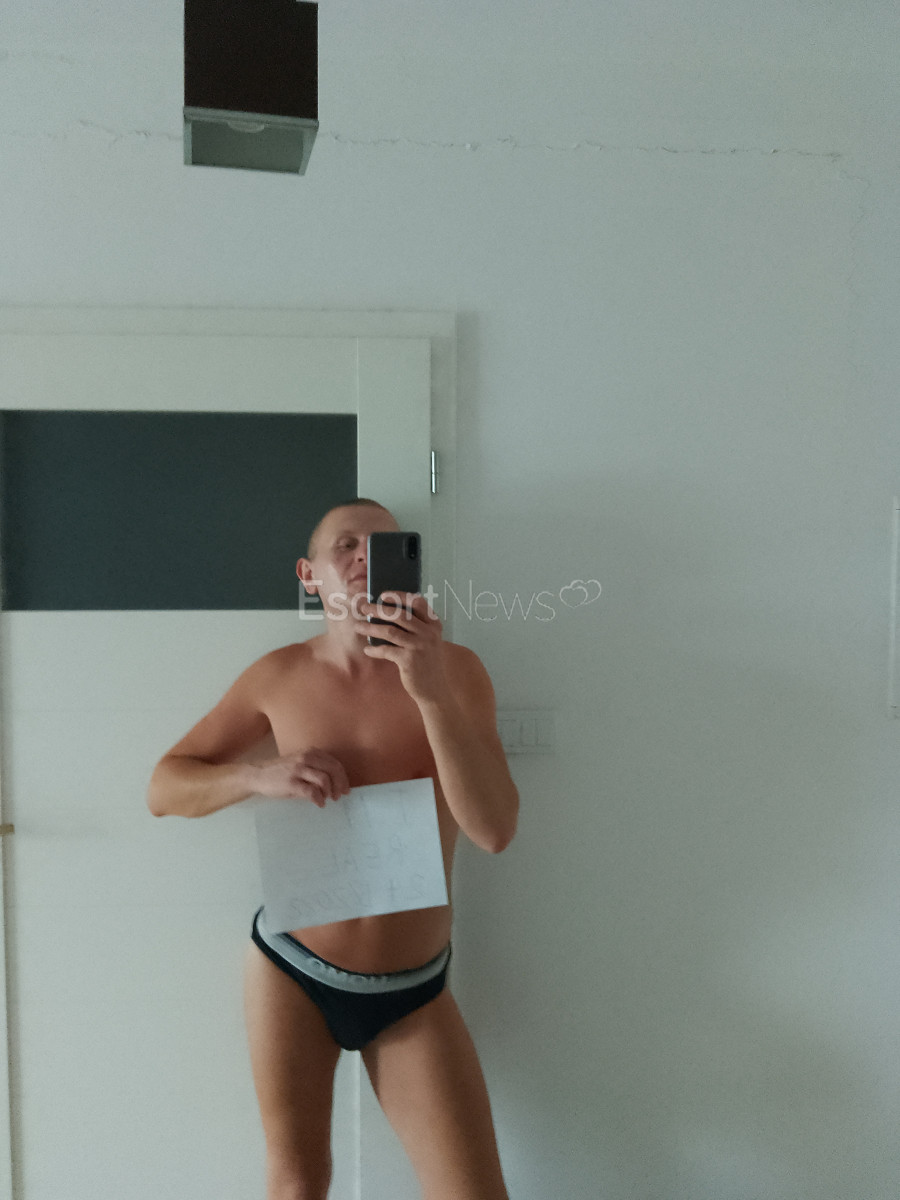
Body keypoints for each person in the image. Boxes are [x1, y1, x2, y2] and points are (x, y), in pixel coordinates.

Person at [147, 498, 519, 1200]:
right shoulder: (277, 676)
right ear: (309, 574)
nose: (362, 557)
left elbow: (495, 831)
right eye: (345, 545)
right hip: (292, 968)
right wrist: (257, 775)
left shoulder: (458, 672)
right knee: (298, 1185)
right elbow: (164, 787)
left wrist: (431, 693)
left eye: (382, 546)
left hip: (411, 989)